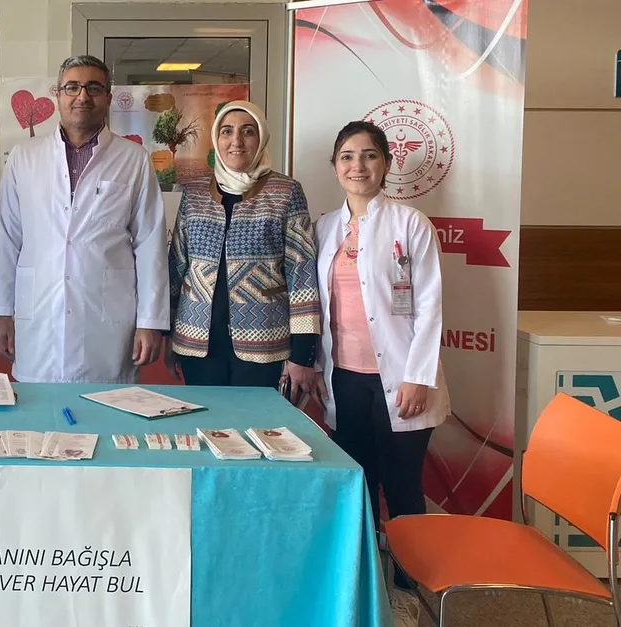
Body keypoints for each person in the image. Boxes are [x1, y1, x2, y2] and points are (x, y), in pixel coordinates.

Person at [311, 121, 448, 620]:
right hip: (344, 378)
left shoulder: (411, 224)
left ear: (386, 164)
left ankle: (413, 586)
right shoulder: (324, 228)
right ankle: (367, 585)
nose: (358, 166)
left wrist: (418, 376)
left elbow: (429, 305)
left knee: (403, 485)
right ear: (335, 166)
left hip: (402, 382)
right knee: (359, 485)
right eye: (347, 157)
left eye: (369, 156)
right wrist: (315, 366)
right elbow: (317, 307)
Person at [0, 55, 167, 383]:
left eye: (94, 88)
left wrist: (150, 321)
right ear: (58, 94)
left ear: (108, 98)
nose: (82, 96)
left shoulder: (133, 159)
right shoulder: (24, 156)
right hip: (39, 313)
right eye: (72, 87)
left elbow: (150, 243)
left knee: (106, 404)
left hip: (107, 319)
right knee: (39, 407)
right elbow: (7, 237)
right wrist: (2, 313)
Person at [164, 101, 320, 400]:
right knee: (207, 423)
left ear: (261, 138)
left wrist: (303, 354)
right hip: (196, 341)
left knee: (258, 425)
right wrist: (169, 335)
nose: (236, 141)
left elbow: (302, 274)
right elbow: (177, 266)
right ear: (216, 139)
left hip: (264, 341)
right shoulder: (195, 192)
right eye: (226, 131)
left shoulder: (286, 191)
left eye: (247, 131)